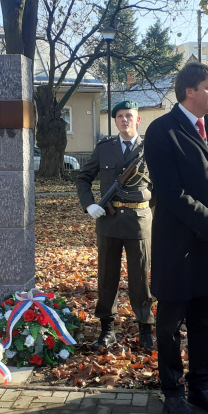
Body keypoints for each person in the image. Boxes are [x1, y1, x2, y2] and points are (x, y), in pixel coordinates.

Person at [144, 62, 208, 414]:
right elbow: (170, 192)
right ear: (189, 92)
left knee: (204, 321)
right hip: (177, 246)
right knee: (170, 324)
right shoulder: (162, 131)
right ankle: (173, 392)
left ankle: (201, 386)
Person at [76, 100, 155, 352]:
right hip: (108, 222)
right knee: (107, 277)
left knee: (140, 279)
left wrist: (151, 205)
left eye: (129, 116)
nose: (124, 120)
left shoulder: (150, 149)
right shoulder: (105, 148)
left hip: (139, 223)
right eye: (120, 116)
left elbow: (163, 183)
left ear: (138, 119)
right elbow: (83, 178)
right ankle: (107, 329)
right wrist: (89, 205)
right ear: (115, 121)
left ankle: (145, 328)